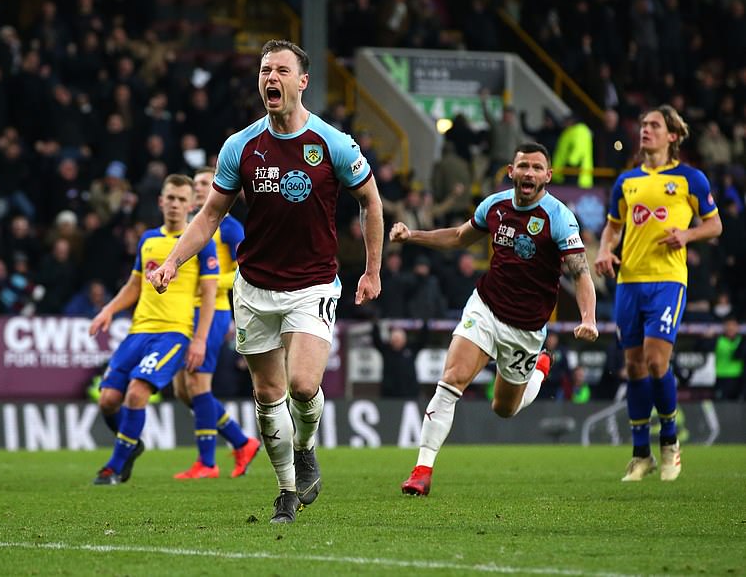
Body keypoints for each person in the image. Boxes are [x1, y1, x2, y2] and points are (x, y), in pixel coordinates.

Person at [148, 40, 383, 523]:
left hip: (314, 283)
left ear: (301, 82)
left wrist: (372, 269)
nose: (269, 78)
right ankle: (286, 492)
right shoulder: (242, 145)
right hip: (254, 287)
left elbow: (371, 202)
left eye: (280, 70)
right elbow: (211, 213)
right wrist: (173, 261)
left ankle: (306, 446)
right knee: (267, 395)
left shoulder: (332, 142)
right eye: (263, 70)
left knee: (302, 384)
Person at [390, 141, 599, 496]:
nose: (528, 173)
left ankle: (540, 369)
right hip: (485, 308)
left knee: (504, 409)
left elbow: (581, 274)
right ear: (511, 171)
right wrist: (413, 236)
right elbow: (458, 237)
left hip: (527, 329)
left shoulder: (559, 218)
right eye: (523, 166)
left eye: (536, 168)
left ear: (547, 175)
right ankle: (422, 470)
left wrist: (589, 318)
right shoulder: (495, 205)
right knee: (451, 380)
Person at [595, 105, 722, 482]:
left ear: (672, 136)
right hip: (629, 282)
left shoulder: (689, 179)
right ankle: (640, 455)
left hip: (668, 280)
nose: (645, 130)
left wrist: (687, 234)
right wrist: (604, 250)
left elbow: (714, 225)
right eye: (643, 125)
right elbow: (612, 227)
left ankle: (670, 442)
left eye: (654, 125)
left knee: (655, 360)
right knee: (633, 365)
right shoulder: (627, 181)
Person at [88, 174, 219, 485]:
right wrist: (109, 309)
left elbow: (210, 294)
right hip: (138, 332)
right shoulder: (148, 240)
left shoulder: (201, 242)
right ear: (161, 201)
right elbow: (135, 285)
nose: (175, 204)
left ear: (192, 205)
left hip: (174, 333)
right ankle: (130, 444)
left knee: (137, 393)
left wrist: (199, 339)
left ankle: (115, 467)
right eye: (170, 198)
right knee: (107, 400)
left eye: (181, 199)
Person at [171, 166, 261, 480]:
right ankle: (241, 441)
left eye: (205, 183)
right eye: (194, 182)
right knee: (183, 389)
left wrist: (210, 281)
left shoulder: (231, 227)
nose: (198, 187)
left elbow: (244, 270)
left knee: (198, 385)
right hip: (183, 311)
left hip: (212, 310)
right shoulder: (191, 225)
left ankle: (207, 462)